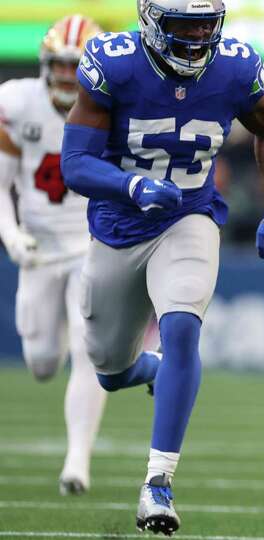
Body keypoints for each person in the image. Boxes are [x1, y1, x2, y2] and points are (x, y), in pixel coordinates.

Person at [60, 0, 264, 534]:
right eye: (183, 24)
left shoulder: (234, 67)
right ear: (149, 20)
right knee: (109, 368)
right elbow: (75, 162)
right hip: (119, 228)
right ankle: (149, 371)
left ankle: (158, 484)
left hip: (189, 216)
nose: (197, 36)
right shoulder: (113, 63)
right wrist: (132, 186)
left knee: (183, 327)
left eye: (206, 24)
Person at [0, 14, 107, 496]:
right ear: (46, 65)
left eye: (76, 67)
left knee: (87, 350)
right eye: (60, 66)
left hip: (91, 243)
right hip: (40, 249)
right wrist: (11, 234)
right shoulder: (16, 103)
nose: (67, 76)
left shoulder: (114, 106)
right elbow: (0, 185)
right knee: (43, 362)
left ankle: (77, 462)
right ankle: (60, 332)